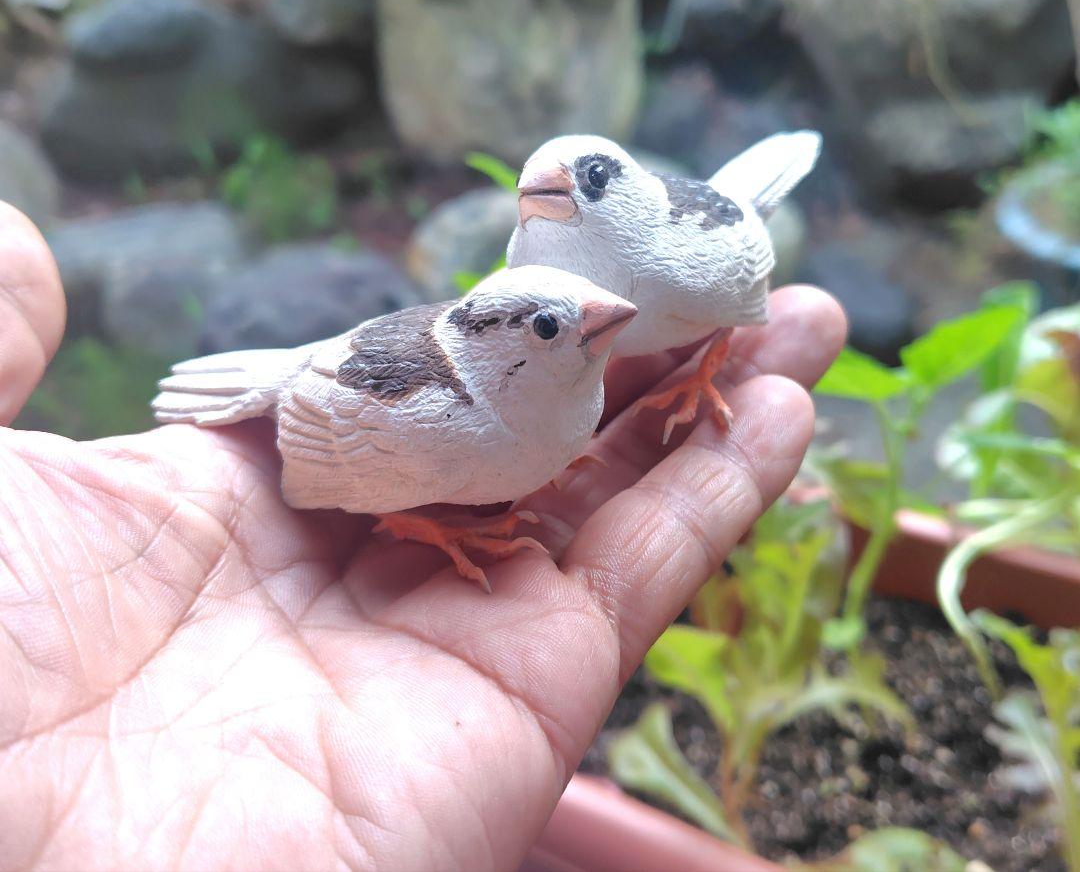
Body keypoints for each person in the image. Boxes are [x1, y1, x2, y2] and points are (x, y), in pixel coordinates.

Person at [0, 199, 845, 870]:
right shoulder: (449, 423)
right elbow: (325, 462)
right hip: (333, 395)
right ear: (510, 345)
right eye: (553, 326)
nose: (603, 317)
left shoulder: (561, 389)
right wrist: (424, 522)